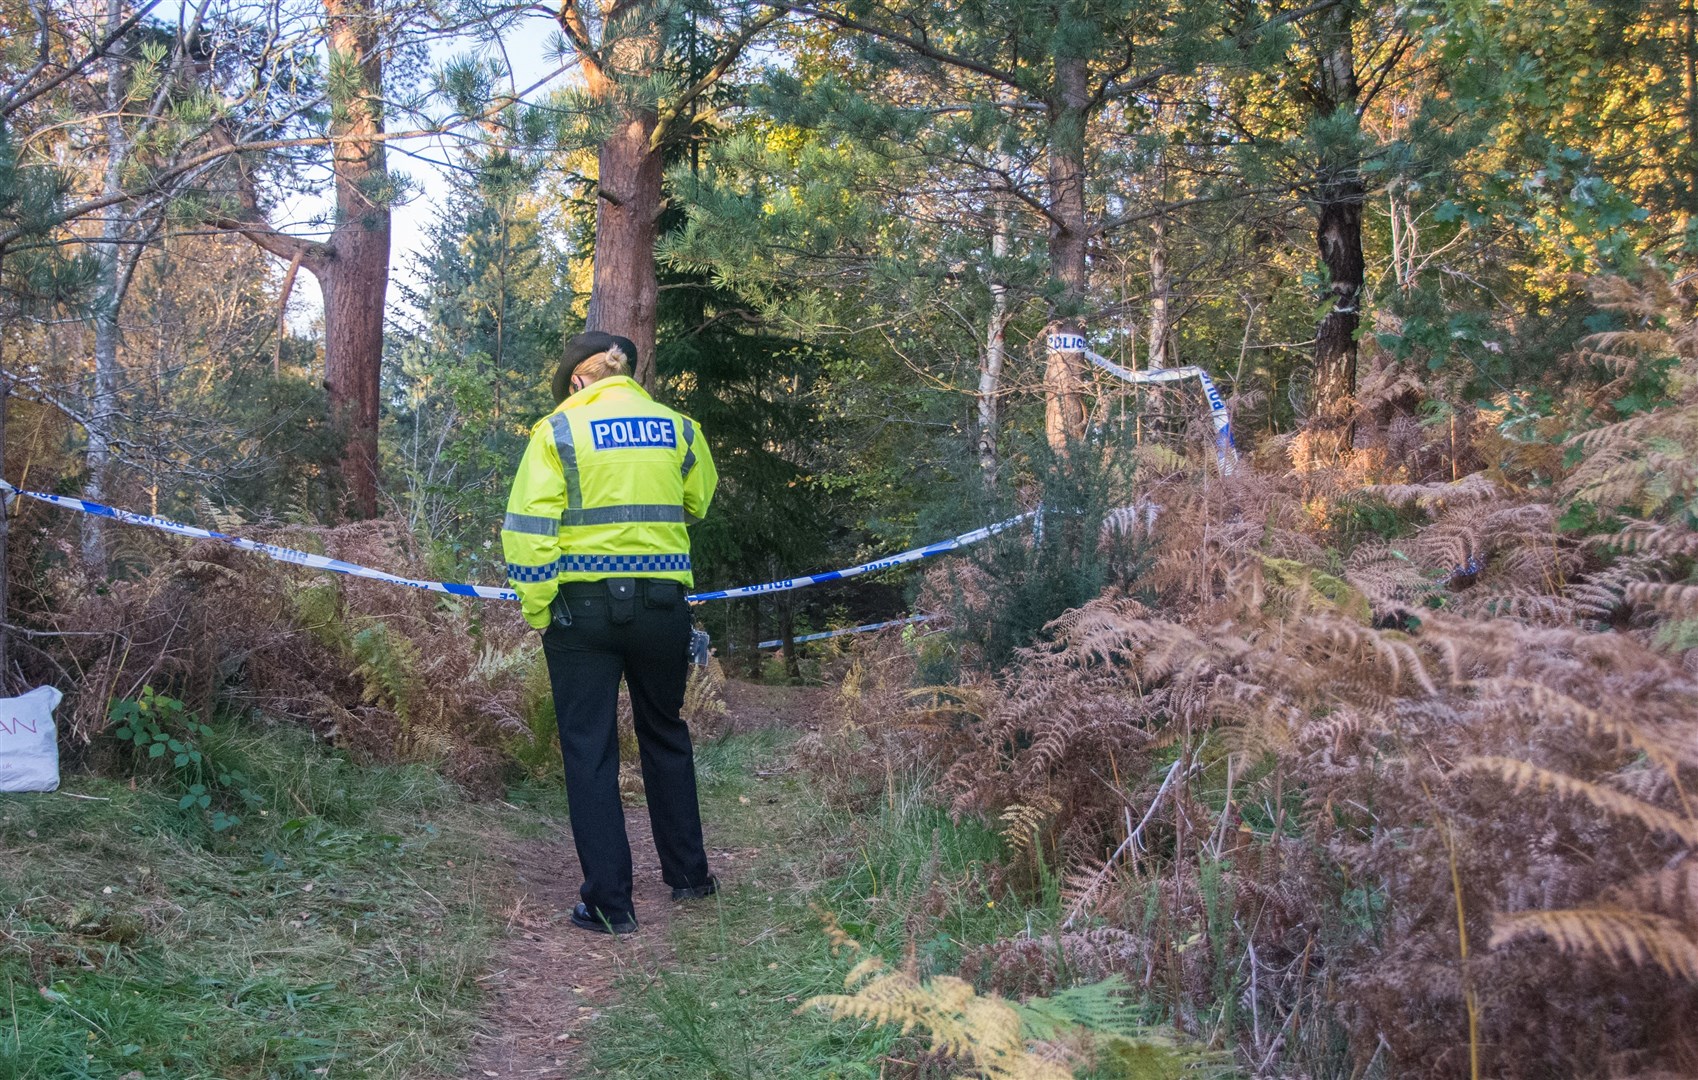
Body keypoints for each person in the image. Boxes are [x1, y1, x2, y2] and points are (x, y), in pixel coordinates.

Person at [501, 331, 720, 935]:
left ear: (578, 380)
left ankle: (610, 904)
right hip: (662, 605)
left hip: (582, 612)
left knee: (589, 748)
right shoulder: (678, 428)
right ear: (626, 375)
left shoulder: (558, 432)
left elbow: (526, 529)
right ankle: (690, 877)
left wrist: (540, 607)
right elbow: (696, 503)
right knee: (666, 733)